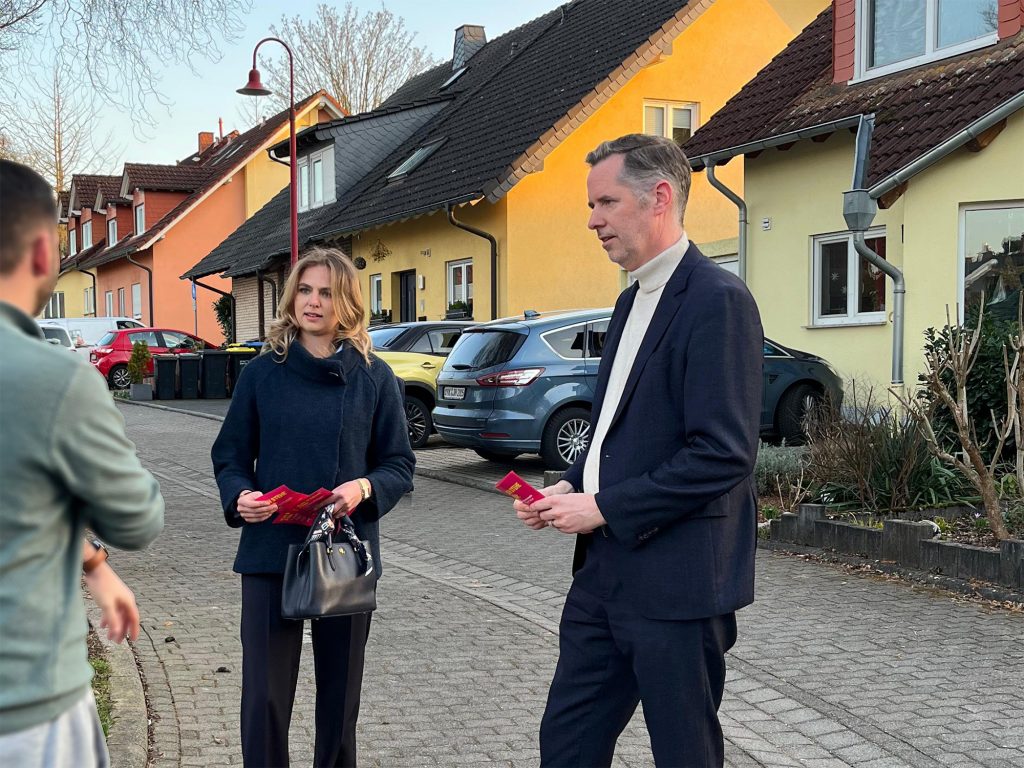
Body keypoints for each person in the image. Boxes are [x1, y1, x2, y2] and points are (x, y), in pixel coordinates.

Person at [514, 135, 763, 767]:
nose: (592, 220)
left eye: (605, 202)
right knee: (566, 745)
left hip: (678, 585)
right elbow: (616, 428)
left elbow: (723, 452)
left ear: (659, 197)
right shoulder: (629, 301)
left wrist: (603, 507)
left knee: (685, 755)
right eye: (591, 204)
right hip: (602, 577)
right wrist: (572, 483)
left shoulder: (718, 300)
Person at [212, 247, 414, 768]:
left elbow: (399, 465)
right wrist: (240, 496)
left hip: (343, 556)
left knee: (339, 702)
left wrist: (363, 488)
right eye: (305, 290)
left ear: (346, 300)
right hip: (269, 554)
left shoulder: (375, 377)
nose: (314, 302)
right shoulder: (262, 374)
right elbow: (230, 454)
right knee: (264, 698)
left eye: (326, 292)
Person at [0, 159, 165, 766]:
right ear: (45, 253)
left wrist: (91, 562)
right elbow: (137, 517)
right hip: (28, 708)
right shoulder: (57, 382)